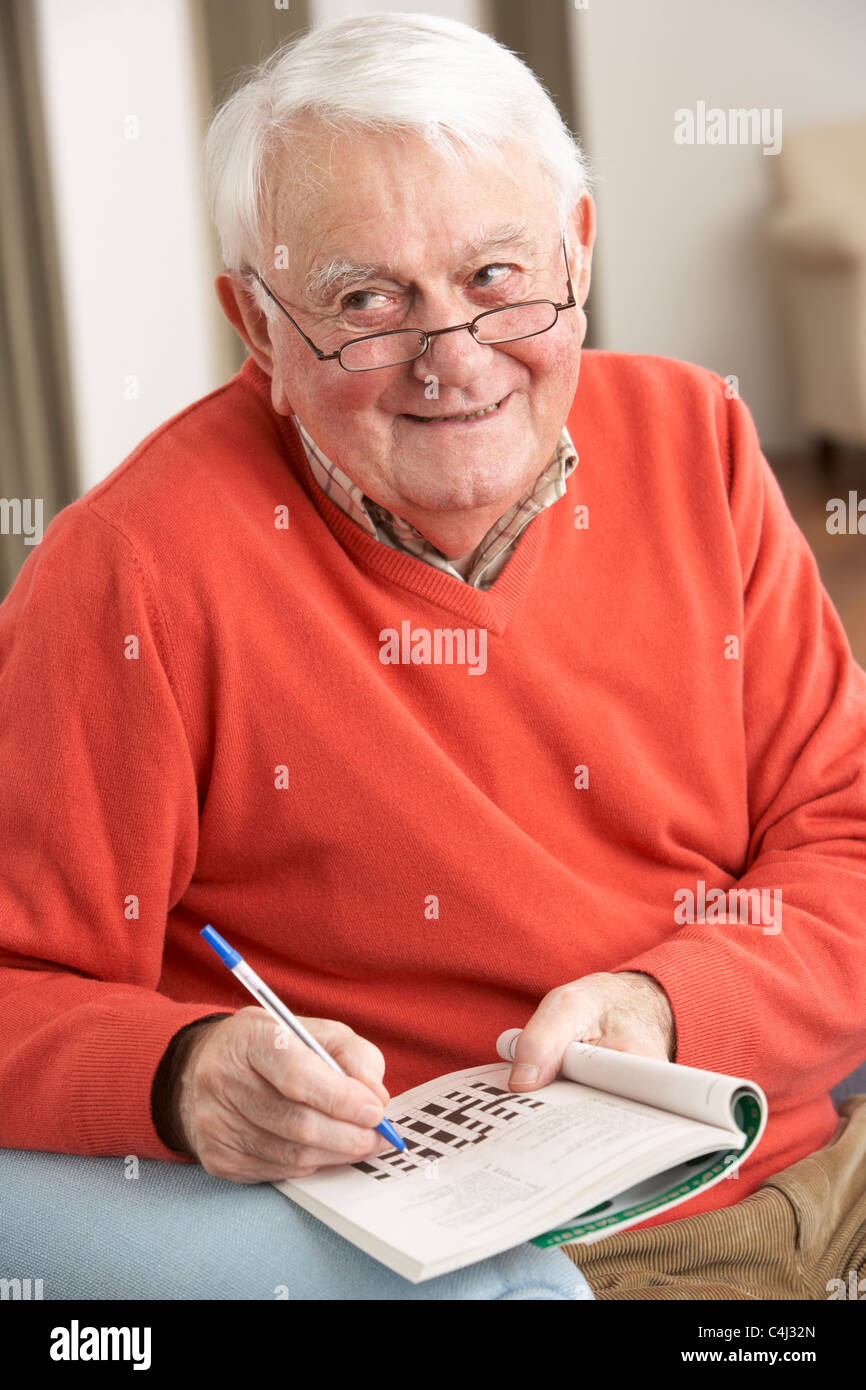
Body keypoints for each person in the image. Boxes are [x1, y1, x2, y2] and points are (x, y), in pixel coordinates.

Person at [1, 12, 864, 1302]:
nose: (452, 361)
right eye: (367, 302)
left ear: (577, 248)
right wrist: (179, 1075)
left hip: (821, 1159)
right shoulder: (130, 569)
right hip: (527, 1268)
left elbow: (843, 839)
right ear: (258, 326)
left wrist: (667, 1005)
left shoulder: (698, 439)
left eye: (498, 277)